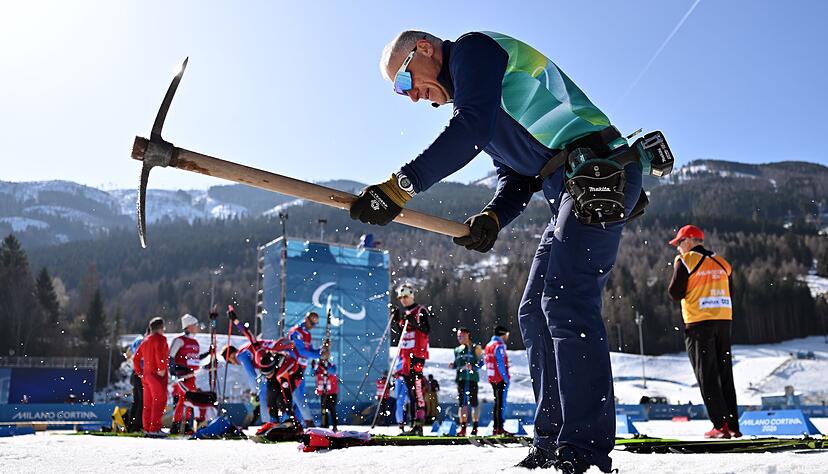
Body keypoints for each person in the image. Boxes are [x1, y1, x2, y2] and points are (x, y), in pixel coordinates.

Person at [350, 30, 647, 472]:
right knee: (533, 311)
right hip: (567, 186)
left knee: (566, 302)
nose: (411, 96)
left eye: (404, 80)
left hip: (599, 172)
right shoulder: (478, 97)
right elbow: (516, 178)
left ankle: (584, 448)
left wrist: (400, 187)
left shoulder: (473, 51)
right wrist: (491, 217)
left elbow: (471, 128)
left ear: (425, 49)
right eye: (401, 91)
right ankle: (550, 441)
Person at [667, 224, 739, 439]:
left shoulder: (686, 260)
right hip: (724, 321)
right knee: (725, 374)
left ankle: (720, 425)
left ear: (688, 241)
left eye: (679, 243)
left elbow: (675, 292)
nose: (678, 248)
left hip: (699, 323)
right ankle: (733, 424)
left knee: (706, 375)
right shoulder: (722, 262)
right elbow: (731, 292)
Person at [222, 306, 299, 431]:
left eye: (230, 360)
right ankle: (274, 422)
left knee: (280, 396)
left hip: (284, 368)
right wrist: (235, 320)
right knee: (271, 396)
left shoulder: (242, 355)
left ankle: (287, 420)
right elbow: (248, 333)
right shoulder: (257, 348)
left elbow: (252, 376)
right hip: (277, 368)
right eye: (265, 372)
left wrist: (254, 391)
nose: (234, 363)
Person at [390, 283, 430, 435]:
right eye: (400, 297)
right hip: (405, 358)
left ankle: (418, 425)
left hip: (417, 356)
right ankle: (413, 425)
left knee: (417, 389)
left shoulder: (420, 310)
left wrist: (415, 323)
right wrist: (396, 319)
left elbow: (427, 329)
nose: (403, 300)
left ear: (411, 295)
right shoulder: (405, 313)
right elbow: (403, 332)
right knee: (411, 391)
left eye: (405, 296)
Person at [288, 311, 329, 427]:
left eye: (314, 324)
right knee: (293, 397)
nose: (312, 326)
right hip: (292, 370)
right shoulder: (296, 331)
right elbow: (301, 351)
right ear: (306, 319)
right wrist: (318, 355)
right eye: (311, 322)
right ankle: (286, 423)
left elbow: (310, 352)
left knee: (300, 399)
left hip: (301, 370)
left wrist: (322, 350)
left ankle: (298, 424)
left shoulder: (307, 334)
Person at [168, 313, 204, 434]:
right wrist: (173, 373)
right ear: (188, 327)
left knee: (190, 400)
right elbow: (170, 357)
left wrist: (209, 353)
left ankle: (187, 425)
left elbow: (195, 359)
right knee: (183, 399)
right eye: (195, 325)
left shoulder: (195, 342)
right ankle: (175, 425)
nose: (197, 327)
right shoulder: (179, 340)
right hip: (182, 376)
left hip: (191, 376)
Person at [133, 317, 168, 436]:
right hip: (156, 375)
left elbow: (136, 358)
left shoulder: (145, 340)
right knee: (159, 401)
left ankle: (147, 427)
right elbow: (159, 353)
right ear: (161, 327)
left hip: (146, 376)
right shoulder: (160, 339)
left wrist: (139, 372)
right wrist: (161, 368)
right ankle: (155, 428)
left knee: (148, 403)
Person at [449, 327, 483, 435]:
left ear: (468, 335)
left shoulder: (475, 348)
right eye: (458, 336)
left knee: (474, 403)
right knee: (462, 404)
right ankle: (463, 428)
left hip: (472, 379)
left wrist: (473, 366)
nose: (459, 338)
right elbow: (457, 363)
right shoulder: (457, 350)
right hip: (461, 379)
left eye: (462, 336)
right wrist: (453, 365)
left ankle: (475, 427)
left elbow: (481, 363)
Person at [486, 326, 511, 436]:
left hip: (492, 377)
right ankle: (499, 428)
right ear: (503, 334)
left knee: (497, 403)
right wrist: (505, 378)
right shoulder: (499, 346)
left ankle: (496, 428)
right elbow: (500, 363)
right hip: (499, 378)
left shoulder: (489, 345)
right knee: (501, 403)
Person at [124, 331, 146, 432]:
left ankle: (131, 425)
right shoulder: (143, 341)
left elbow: (129, 354)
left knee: (137, 401)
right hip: (140, 374)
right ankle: (137, 425)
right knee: (142, 401)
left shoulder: (138, 340)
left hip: (135, 374)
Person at [314, 359, 339, 431]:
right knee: (324, 410)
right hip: (323, 392)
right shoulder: (318, 367)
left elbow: (333, 372)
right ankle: (325, 425)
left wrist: (325, 367)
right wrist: (316, 367)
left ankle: (335, 426)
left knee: (332, 409)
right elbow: (314, 373)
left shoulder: (332, 366)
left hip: (332, 392)